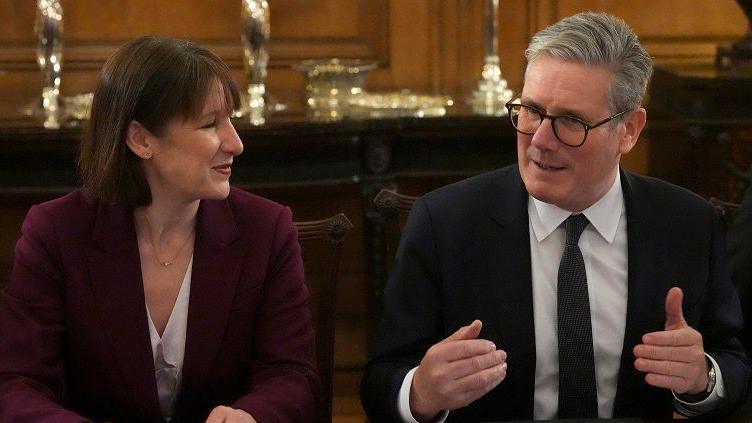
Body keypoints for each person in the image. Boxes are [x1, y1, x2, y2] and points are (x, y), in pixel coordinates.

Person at [361, 12, 750, 422]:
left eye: (570, 122)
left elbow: (734, 364)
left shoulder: (686, 223)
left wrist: (702, 378)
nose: (540, 141)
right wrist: (421, 393)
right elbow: (381, 382)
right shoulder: (446, 223)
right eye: (530, 111)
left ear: (629, 130)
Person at [0, 36, 319, 422]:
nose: (235, 143)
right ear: (141, 139)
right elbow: (18, 383)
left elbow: (292, 374)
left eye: (231, 120)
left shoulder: (266, 229)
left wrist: (250, 415)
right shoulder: (55, 232)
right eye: (209, 124)